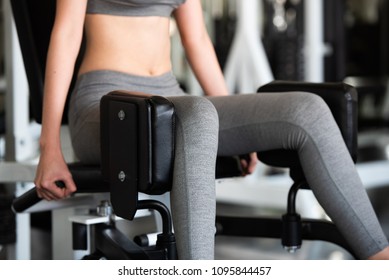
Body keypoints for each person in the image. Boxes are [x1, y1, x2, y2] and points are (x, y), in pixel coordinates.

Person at [34, 0, 389, 260]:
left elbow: (198, 39)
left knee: (307, 109)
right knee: (199, 115)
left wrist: (240, 132)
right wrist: (50, 147)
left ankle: (379, 258)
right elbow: (65, 34)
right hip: (109, 106)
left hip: (170, 98)